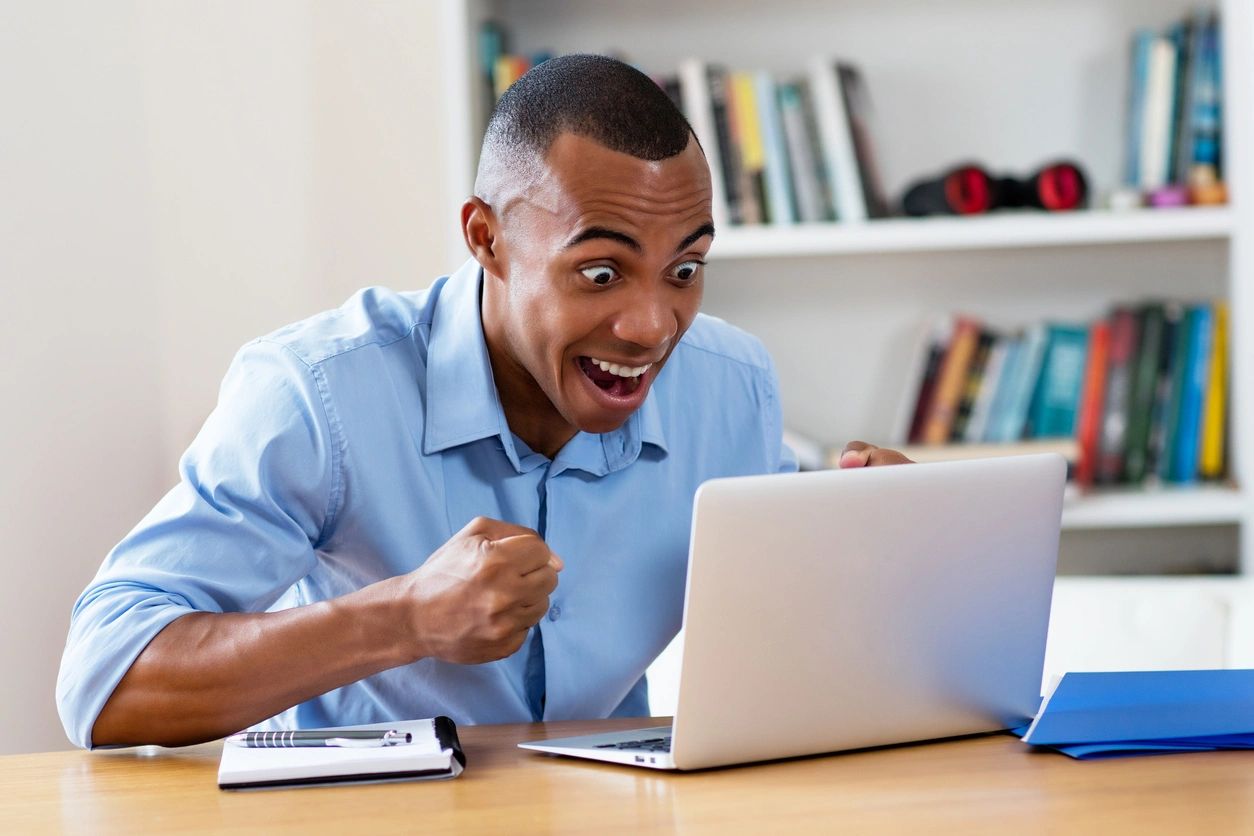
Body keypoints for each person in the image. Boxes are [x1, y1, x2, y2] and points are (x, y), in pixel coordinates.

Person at [56, 55, 909, 749]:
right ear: (486, 239)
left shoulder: (731, 387)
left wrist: (884, 551)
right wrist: (404, 618)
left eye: (685, 270)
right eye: (601, 272)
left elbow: (781, 655)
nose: (653, 326)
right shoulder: (317, 395)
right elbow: (105, 680)